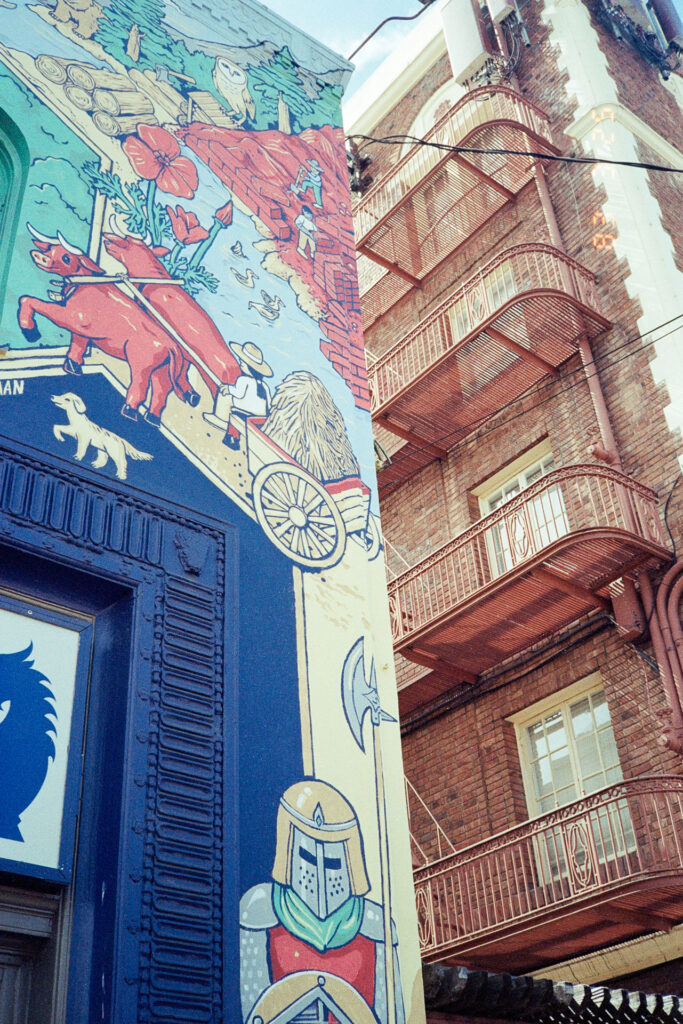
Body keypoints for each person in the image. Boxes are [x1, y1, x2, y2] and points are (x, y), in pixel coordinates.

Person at [239, 779, 405, 1024]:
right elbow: (254, 1011)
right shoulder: (261, 911)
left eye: (332, 862)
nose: (318, 871)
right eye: (306, 856)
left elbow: (392, 1016)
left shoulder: (375, 926)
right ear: (288, 852)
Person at [202, 341, 272, 449]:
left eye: (243, 362)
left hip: (244, 410)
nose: (241, 363)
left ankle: (220, 419)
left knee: (225, 397)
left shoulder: (244, 379)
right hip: (260, 416)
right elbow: (269, 405)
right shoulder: (264, 386)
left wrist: (228, 388)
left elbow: (238, 393)